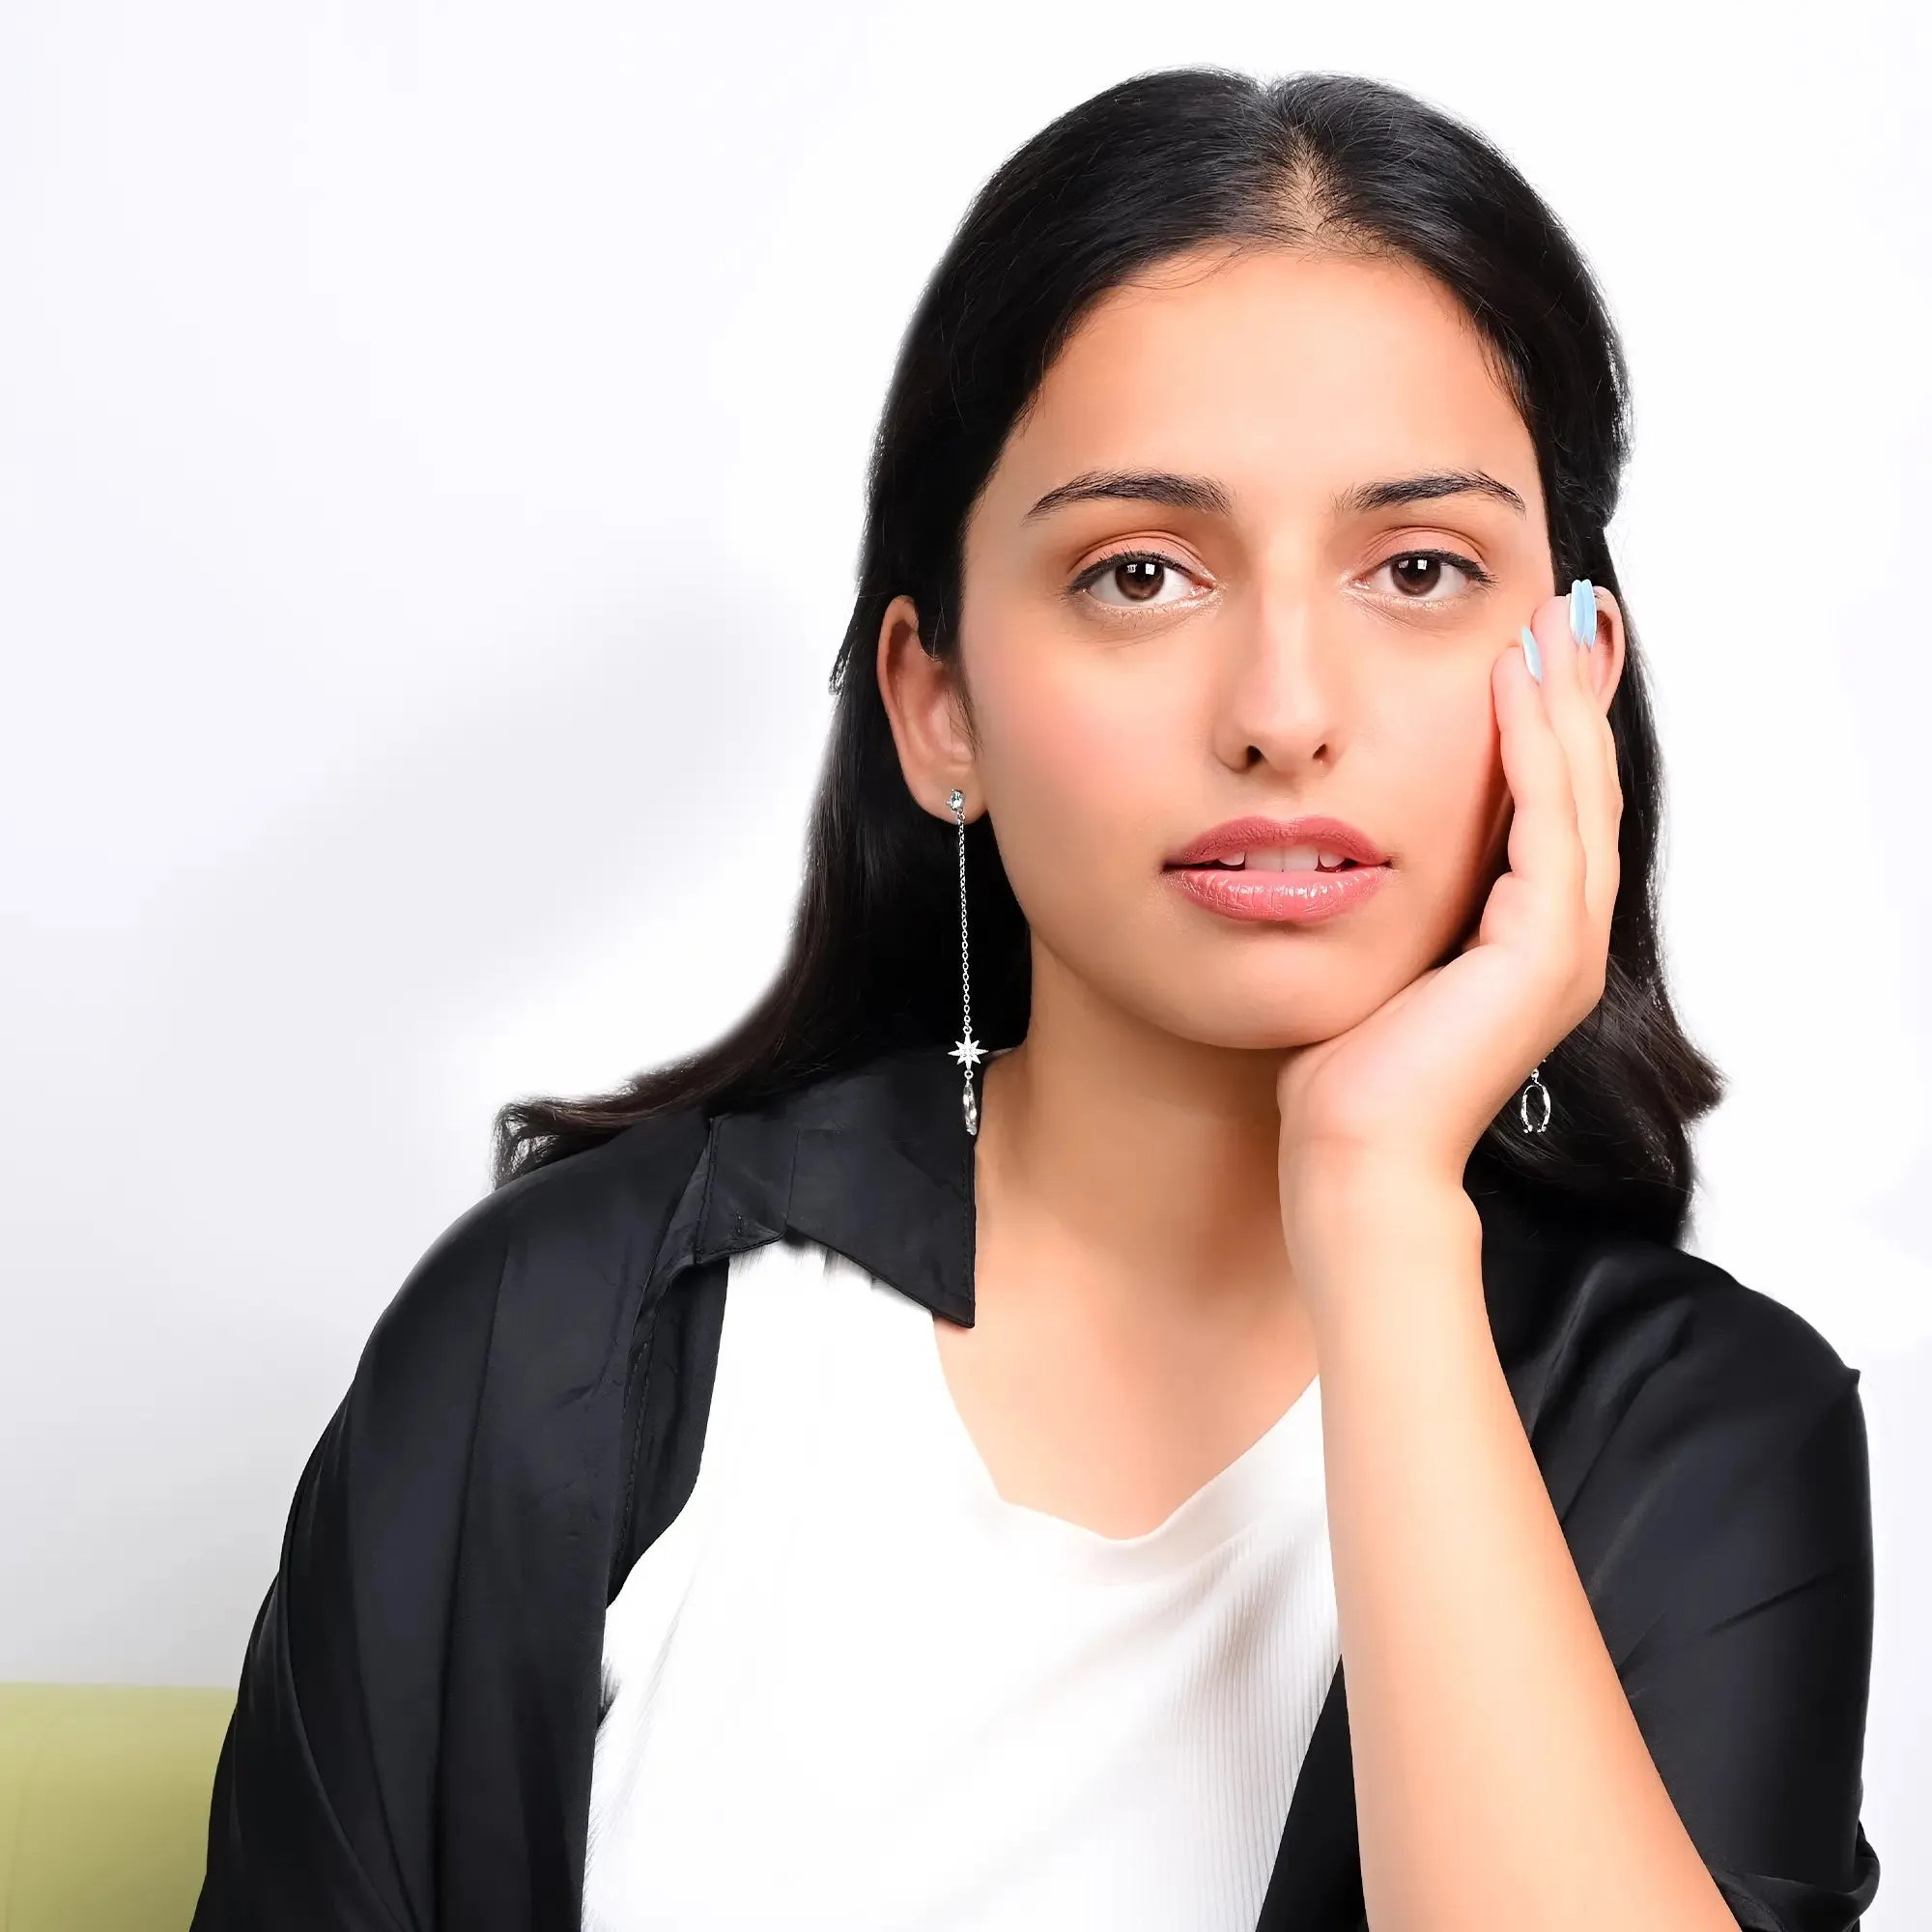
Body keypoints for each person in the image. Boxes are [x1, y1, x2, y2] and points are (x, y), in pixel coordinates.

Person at [191, 67, 1880, 1932]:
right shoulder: (561, 1341)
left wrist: (1384, 1200)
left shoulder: (1706, 1429)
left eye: (1419, 568)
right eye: (1139, 571)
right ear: (939, 707)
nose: (1284, 705)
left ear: (1567, 671)